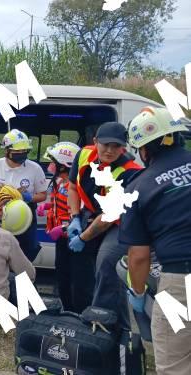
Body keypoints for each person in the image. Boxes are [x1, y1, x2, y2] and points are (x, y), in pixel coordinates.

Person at [119, 107, 191, 374]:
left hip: (180, 287)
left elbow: (138, 256)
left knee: (175, 364)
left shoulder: (140, 187)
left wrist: (138, 294)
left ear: (145, 150)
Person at [67, 121, 142, 330]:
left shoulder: (130, 172)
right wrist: (74, 217)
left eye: (116, 146)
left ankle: (101, 321)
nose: (109, 150)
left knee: (107, 262)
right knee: (76, 262)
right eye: (105, 144)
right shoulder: (83, 155)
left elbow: (109, 216)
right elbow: (72, 187)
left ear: (123, 148)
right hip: (92, 212)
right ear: (95, 142)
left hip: (122, 220)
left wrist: (83, 237)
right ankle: (77, 312)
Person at [0, 129, 48, 262]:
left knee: (25, 253)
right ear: (6, 151)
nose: (21, 155)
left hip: (24, 215)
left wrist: (28, 197)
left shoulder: (35, 169)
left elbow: (42, 195)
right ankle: (1, 280)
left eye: (24, 152)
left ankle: (22, 280)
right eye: (17, 152)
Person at [37, 142, 86, 313]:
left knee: (75, 279)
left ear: (65, 165)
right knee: (61, 276)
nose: (50, 166)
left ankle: (75, 312)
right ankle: (66, 308)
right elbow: (61, 205)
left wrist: (63, 228)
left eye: (53, 162)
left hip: (74, 241)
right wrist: (48, 207)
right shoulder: (60, 182)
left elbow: (79, 216)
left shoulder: (76, 187)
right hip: (61, 240)